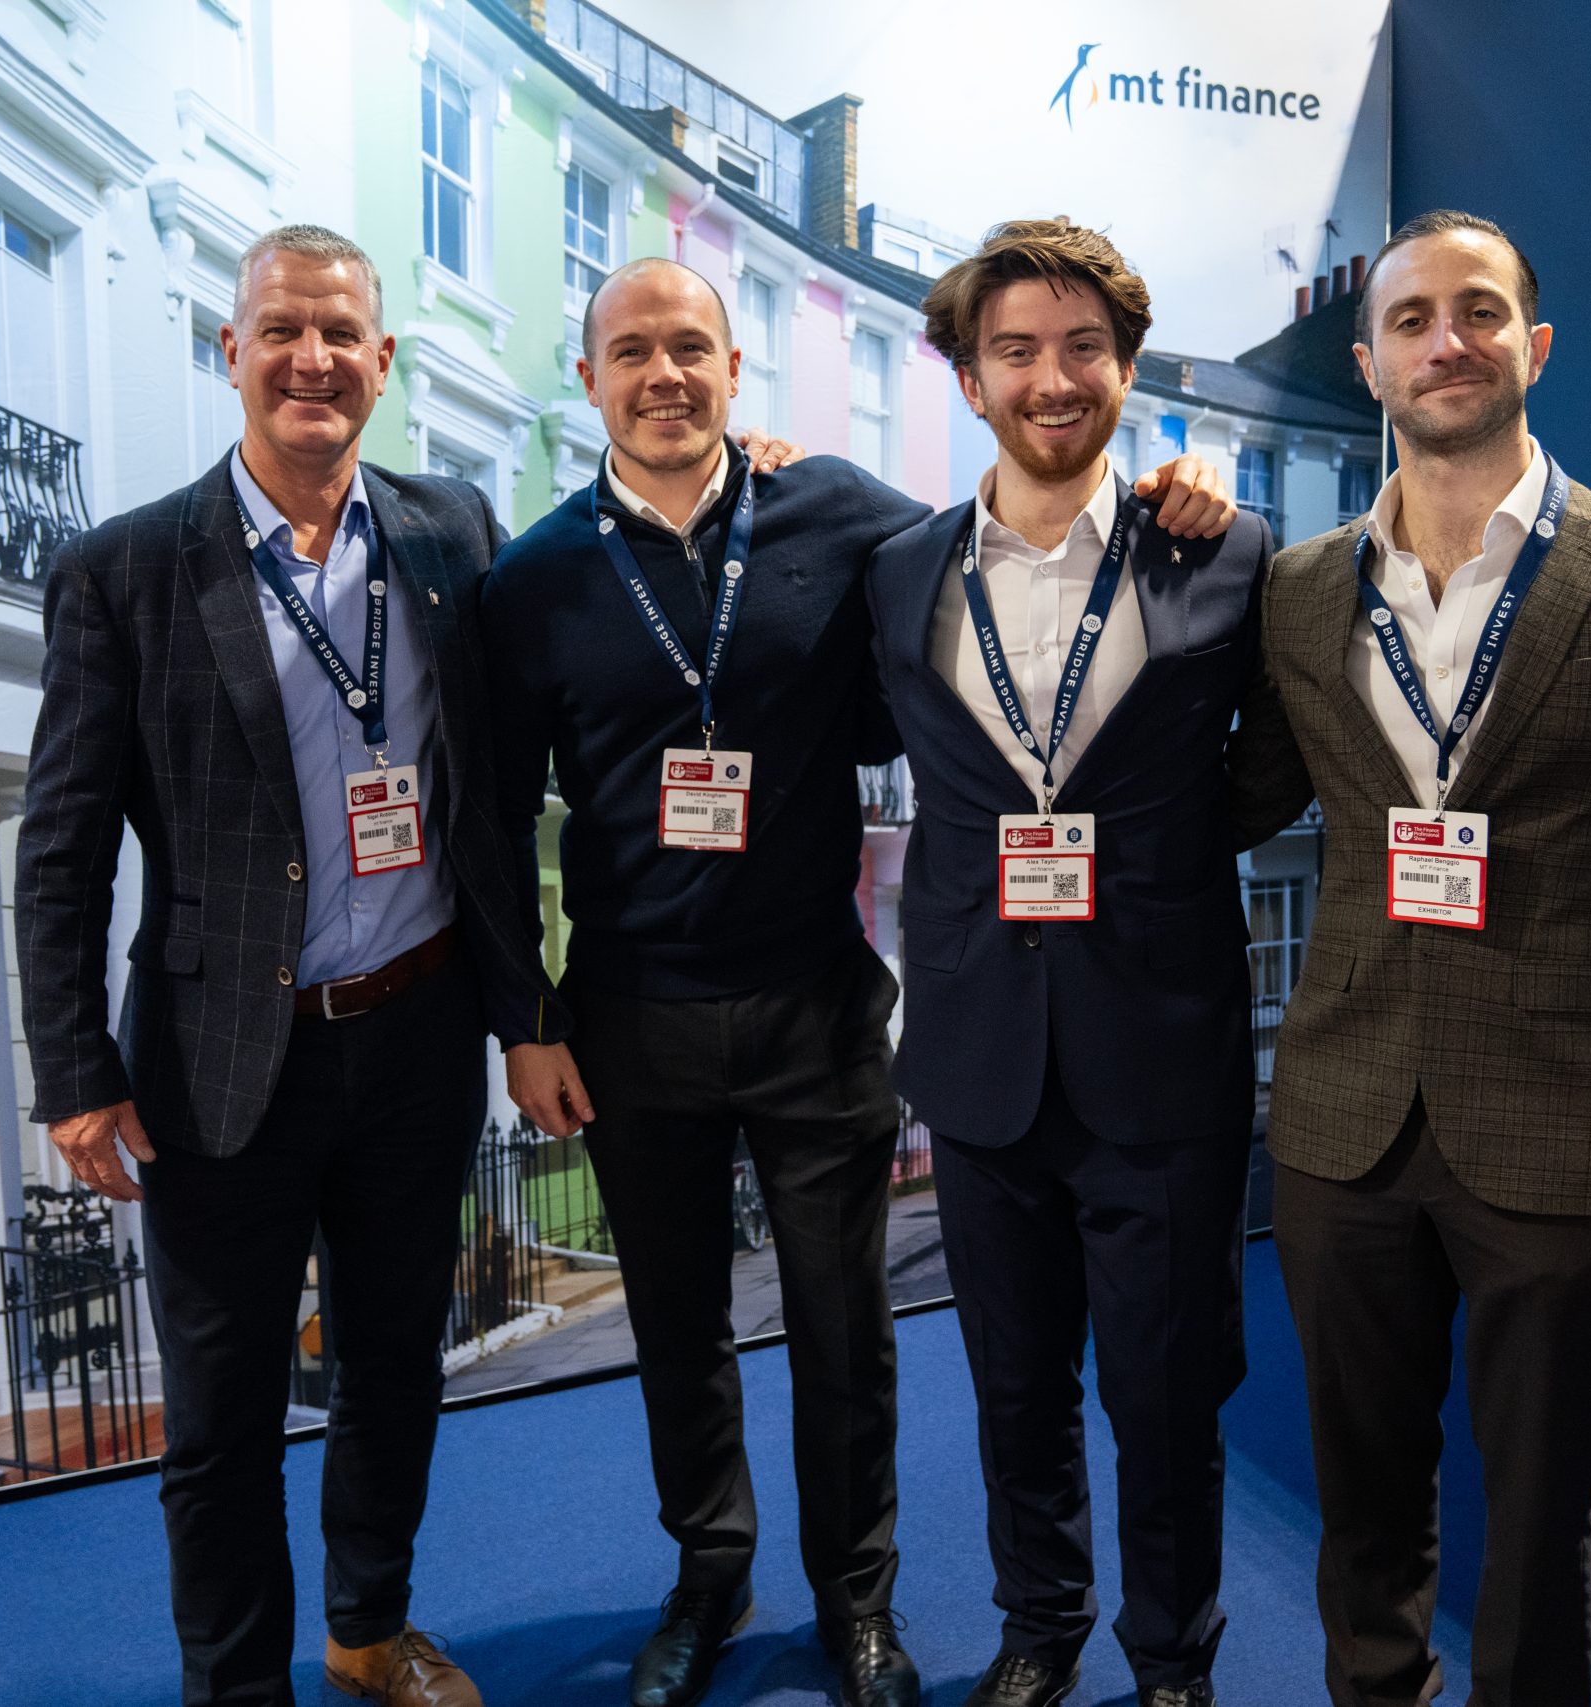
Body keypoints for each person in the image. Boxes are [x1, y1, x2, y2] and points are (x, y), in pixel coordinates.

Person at [481, 256, 1232, 1707]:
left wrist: (1170, 483)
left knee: (844, 1329)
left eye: (690, 348)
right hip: (628, 1018)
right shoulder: (533, 580)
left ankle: (858, 1601)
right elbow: (493, 818)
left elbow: (1020, 524)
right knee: (679, 1329)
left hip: (818, 1004)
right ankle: (710, 1575)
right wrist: (527, 1018)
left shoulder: (840, 518)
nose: (663, 376)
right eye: (631, 352)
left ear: (734, 370)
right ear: (589, 380)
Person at [17, 224, 586, 1707]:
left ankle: (367, 1630)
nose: (311, 358)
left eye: (339, 333)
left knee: (396, 1368)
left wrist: (752, 468)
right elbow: (62, 847)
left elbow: (496, 786)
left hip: (414, 1036)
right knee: (220, 1420)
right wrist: (73, 1071)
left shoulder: (452, 532)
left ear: (381, 363)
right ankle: (236, 1689)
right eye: (281, 330)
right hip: (218, 1062)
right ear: (233, 352)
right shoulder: (126, 570)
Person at [1225, 209, 1591, 1707]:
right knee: (1361, 1496)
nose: (1446, 342)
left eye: (1478, 312)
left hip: (1565, 1123)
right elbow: (1233, 799)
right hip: (1344, 1120)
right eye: (1410, 320)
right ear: (1370, 365)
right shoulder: (1301, 589)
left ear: (1533, 345)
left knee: (1540, 1514)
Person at [866, 219, 1264, 1707]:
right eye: (1019, 351)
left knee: (1169, 1392)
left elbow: (1277, 759)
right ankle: (1040, 1632)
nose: (1054, 378)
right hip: (980, 1051)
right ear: (970, 378)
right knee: (1016, 1383)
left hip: (1160, 1048)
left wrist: (1168, 852)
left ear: (1125, 369)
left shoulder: (1222, 552)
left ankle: (1173, 1660)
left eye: (1084, 348)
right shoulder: (895, 572)